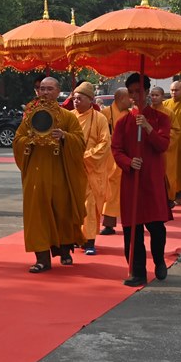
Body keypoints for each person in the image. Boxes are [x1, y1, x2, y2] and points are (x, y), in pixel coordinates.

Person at [13, 76, 87, 273]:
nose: (45, 92)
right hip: (36, 176)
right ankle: (42, 259)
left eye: (49, 89)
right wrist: (29, 140)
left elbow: (80, 143)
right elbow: (18, 140)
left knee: (62, 213)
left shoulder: (67, 117)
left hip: (61, 174)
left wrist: (64, 137)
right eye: (42, 89)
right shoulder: (30, 117)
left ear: (58, 91)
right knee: (37, 216)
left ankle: (65, 250)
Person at [111, 73, 172, 287]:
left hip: (152, 179)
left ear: (147, 91)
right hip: (132, 180)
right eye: (131, 92)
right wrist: (128, 162)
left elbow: (162, 145)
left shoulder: (161, 118)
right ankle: (137, 271)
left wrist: (147, 127)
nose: (135, 96)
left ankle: (159, 260)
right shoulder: (123, 122)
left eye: (139, 91)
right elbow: (116, 149)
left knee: (156, 227)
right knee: (132, 229)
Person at [71, 81, 112, 255]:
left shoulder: (99, 118)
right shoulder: (69, 117)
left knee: (89, 206)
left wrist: (85, 157)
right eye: (75, 98)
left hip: (91, 170)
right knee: (73, 205)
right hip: (72, 169)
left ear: (90, 100)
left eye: (80, 98)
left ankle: (89, 241)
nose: (76, 101)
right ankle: (75, 238)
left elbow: (105, 143)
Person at [99, 87, 133, 235]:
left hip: (127, 156)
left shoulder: (132, 114)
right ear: (121, 99)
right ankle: (109, 224)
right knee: (111, 190)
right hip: (109, 157)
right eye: (129, 97)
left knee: (129, 190)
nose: (132, 100)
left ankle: (132, 222)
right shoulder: (105, 114)